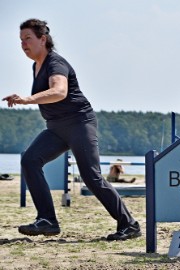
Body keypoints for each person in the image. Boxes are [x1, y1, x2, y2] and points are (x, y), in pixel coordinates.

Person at [2, 19, 140, 241]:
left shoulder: (55, 63)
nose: (23, 44)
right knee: (29, 160)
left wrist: (27, 99)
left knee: (91, 177)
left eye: (27, 38)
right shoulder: (35, 66)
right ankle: (47, 220)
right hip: (55, 128)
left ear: (43, 39)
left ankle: (129, 224)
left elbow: (59, 91)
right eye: (20, 40)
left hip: (79, 123)